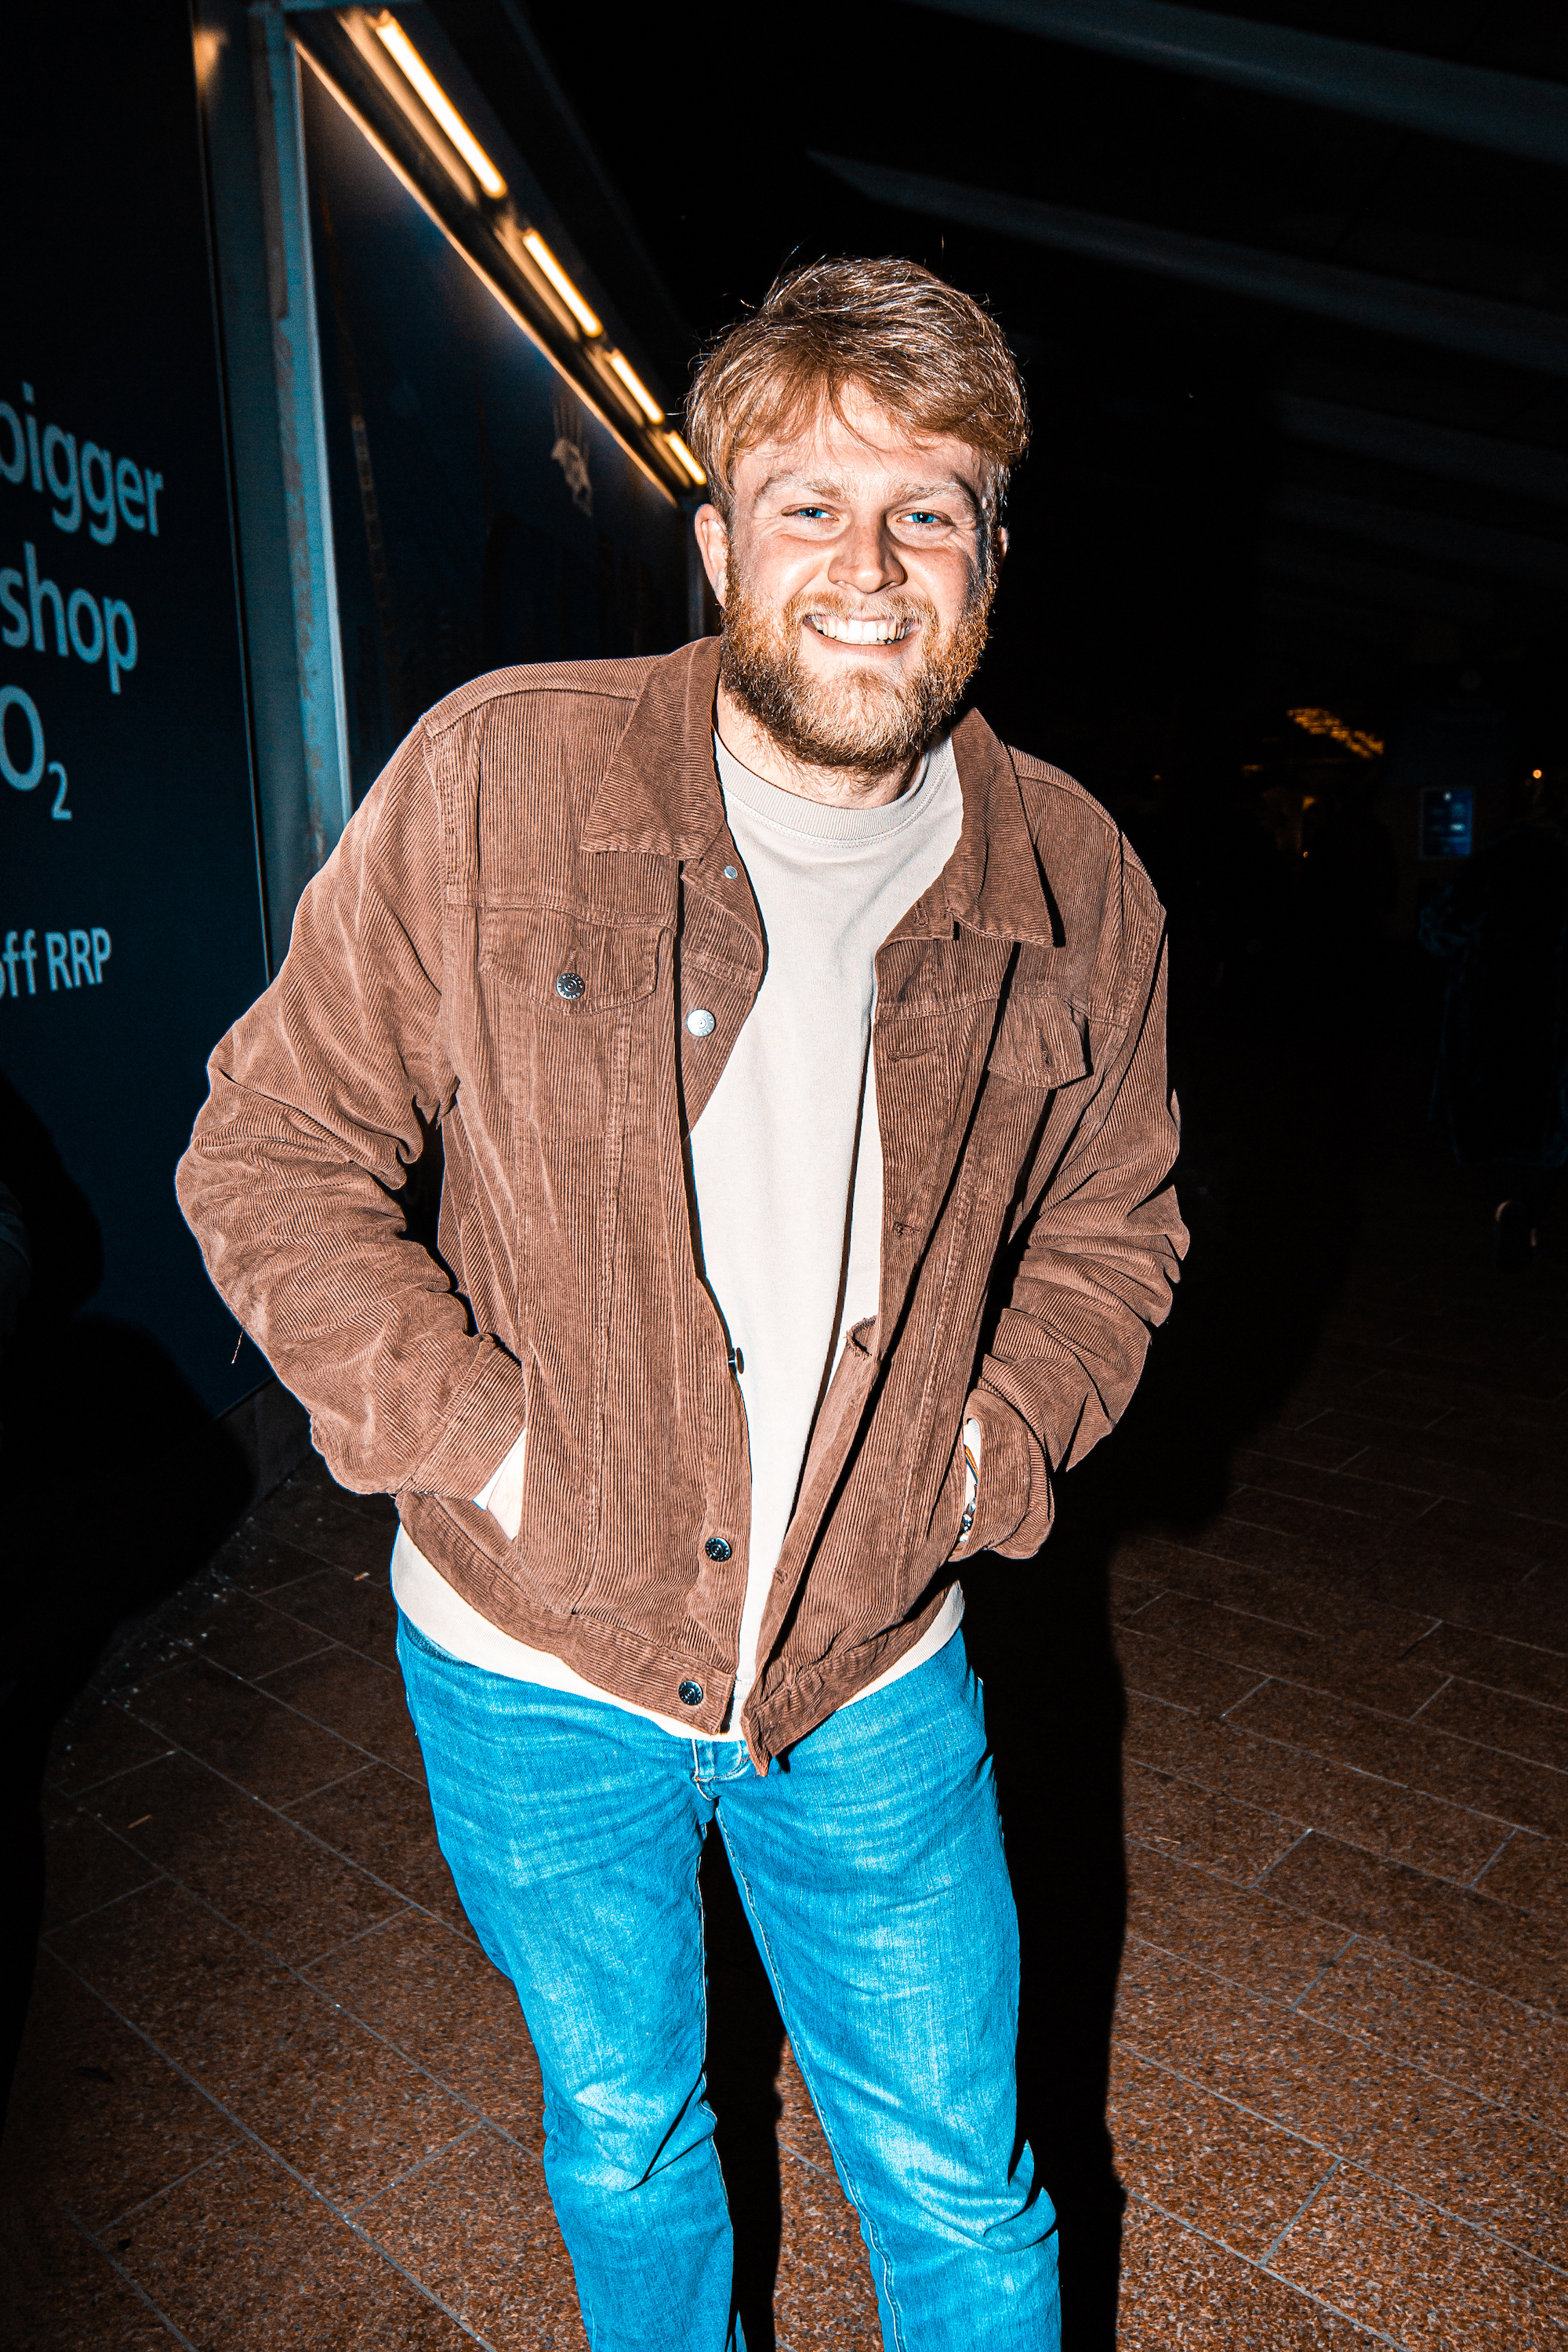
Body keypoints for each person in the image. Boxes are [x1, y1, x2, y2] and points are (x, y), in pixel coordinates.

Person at [176, 257, 1185, 2352]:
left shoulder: (1082, 879)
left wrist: (984, 1453)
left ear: (994, 555)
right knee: (627, 2131)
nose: (871, 562)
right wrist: (486, 1445)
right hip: (529, 1659)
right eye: (809, 504)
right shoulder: (501, 780)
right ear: (719, 540)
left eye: (930, 509)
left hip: (876, 1672)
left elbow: (1117, 1232)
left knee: (962, 2189)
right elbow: (268, 1155)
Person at [1421, 771, 1568, 1269]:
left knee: (1496, 1119)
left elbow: (1439, 929)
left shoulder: (1497, 855)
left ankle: (1506, 1205)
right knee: (1550, 1130)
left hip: (1489, 1013)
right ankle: (1528, 1212)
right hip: (1556, 1019)